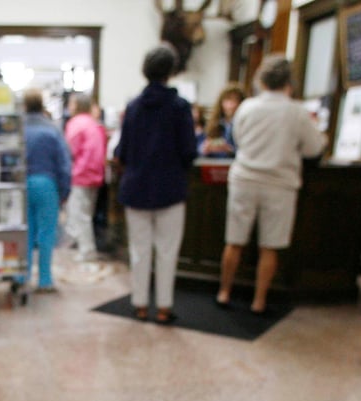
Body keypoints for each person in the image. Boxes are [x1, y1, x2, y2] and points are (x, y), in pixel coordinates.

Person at [216, 55, 328, 314]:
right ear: (289, 82)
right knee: (270, 246)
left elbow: (237, 139)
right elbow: (314, 148)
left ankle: (224, 291)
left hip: (244, 178)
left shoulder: (247, 108)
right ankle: (259, 300)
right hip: (279, 184)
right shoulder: (297, 112)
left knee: (234, 241)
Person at [114, 44, 196, 324]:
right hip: (170, 188)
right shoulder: (180, 107)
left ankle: (139, 303)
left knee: (139, 250)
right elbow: (189, 151)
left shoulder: (133, 107)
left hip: (136, 187)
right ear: (170, 71)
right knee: (167, 251)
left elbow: (121, 152)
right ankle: (163, 306)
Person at [23, 87, 71, 293]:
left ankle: (21, 275)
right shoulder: (52, 130)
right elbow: (64, 165)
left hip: (22, 184)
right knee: (47, 232)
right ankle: (44, 279)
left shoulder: (19, 129)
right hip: (47, 184)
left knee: (26, 231)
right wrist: (64, 192)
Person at [63, 92, 107, 262]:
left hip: (80, 174)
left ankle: (86, 250)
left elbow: (69, 150)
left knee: (79, 214)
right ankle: (84, 246)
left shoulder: (76, 124)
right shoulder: (94, 124)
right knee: (87, 213)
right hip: (95, 174)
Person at [199, 82, 245, 158]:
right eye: (228, 99)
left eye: (236, 100)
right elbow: (199, 147)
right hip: (214, 166)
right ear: (221, 102)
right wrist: (205, 148)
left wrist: (230, 150)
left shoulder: (244, 125)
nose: (232, 104)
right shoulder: (214, 123)